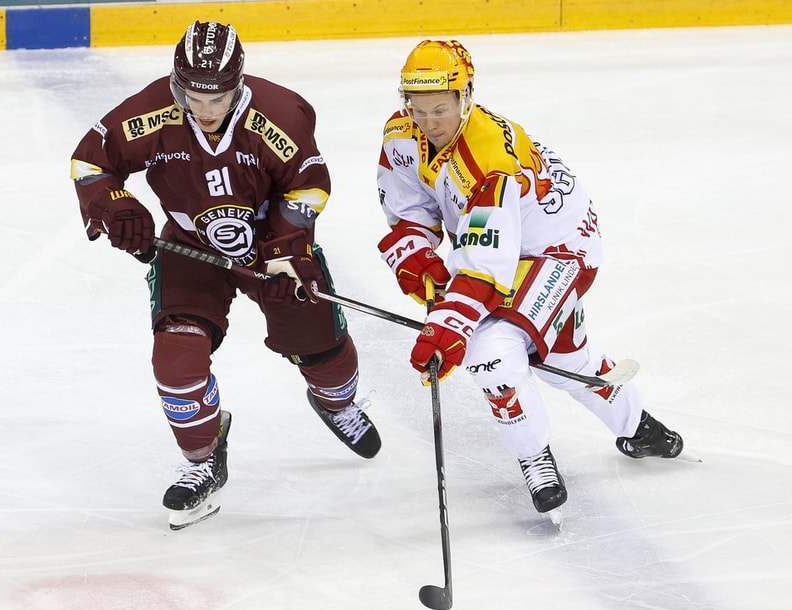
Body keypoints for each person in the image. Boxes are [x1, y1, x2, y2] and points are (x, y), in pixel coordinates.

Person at [70, 21, 381, 530]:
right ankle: (203, 457)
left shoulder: (280, 114)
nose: (207, 110)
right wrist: (117, 205)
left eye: (219, 98)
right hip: (190, 244)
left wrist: (285, 254)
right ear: (177, 85)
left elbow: (306, 188)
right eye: (194, 96)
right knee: (176, 359)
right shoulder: (150, 112)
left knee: (320, 348)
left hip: (270, 245)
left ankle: (337, 402)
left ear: (240, 83)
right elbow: (90, 163)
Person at [375, 39, 684, 515]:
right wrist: (415, 256)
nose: (429, 122)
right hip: (504, 246)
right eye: (418, 109)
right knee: (566, 357)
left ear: (466, 97)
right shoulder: (403, 132)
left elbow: (484, 265)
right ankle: (636, 425)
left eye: (440, 109)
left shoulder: (489, 162)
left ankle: (533, 454)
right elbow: (411, 208)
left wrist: (449, 326)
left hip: (558, 250)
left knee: (489, 352)